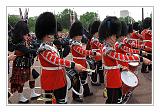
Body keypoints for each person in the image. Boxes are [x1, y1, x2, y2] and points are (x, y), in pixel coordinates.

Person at [98, 16, 151, 104]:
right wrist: (141, 58)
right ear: (108, 35)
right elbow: (121, 57)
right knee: (112, 101)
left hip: (116, 76)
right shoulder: (106, 49)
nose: (116, 38)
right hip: (111, 79)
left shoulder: (111, 46)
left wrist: (121, 68)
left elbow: (115, 62)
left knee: (118, 99)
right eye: (114, 35)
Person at [35, 12, 85, 104]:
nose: (54, 35)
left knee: (62, 102)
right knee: (49, 102)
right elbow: (56, 60)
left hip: (59, 79)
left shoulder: (52, 46)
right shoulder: (43, 49)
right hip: (49, 81)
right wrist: (73, 65)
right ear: (46, 35)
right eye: (51, 33)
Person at [70, 21, 101, 102]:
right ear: (74, 36)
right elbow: (82, 52)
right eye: (78, 35)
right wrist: (94, 53)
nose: (80, 37)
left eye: (80, 35)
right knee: (76, 81)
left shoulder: (78, 43)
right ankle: (75, 96)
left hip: (83, 63)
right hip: (77, 64)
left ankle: (86, 92)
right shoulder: (74, 45)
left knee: (84, 79)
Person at [9, 21, 40, 103]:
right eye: (25, 34)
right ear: (20, 34)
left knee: (32, 77)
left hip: (27, 64)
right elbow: (28, 51)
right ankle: (20, 97)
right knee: (20, 82)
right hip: (20, 65)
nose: (27, 36)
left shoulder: (25, 42)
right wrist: (38, 50)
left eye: (27, 34)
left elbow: (32, 49)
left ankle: (33, 93)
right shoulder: (19, 44)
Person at [90, 20, 104, 86]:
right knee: (95, 70)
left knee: (100, 69)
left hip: (99, 57)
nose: (98, 34)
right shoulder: (94, 40)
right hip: (95, 57)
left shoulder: (96, 39)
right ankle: (94, 81)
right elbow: (100, 46)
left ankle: (101, 80)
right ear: (95, 33)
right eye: (97, 33)